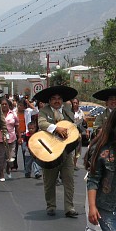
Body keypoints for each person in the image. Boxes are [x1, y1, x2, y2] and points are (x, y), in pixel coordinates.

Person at [35, 85, 79, 217]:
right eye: (53, 98)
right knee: (49, 181)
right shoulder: (44, 111)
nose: (56, 101)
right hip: (50, 151)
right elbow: (41, 124)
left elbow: (73, 127)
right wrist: (55, 128)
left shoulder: (68, 111)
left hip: (66, 151)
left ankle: (69, 208)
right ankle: (51, 206)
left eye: (59, 98)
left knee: (69, 181)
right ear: (49, 100)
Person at [0, 98, 19, 181]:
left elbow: (17, 125)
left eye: (6, 104)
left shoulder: (13, 114)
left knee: (11, 157)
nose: (4, 106)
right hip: (0, 139)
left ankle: (8, 168)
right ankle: (1, 174)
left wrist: (19, 137)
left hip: (11, 138)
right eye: (3, 104)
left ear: (9, 105)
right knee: (0, 157)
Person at [71, 98, 87, 170]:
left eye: (76, 103)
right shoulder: (69, 111)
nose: (75, 104)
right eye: (73, 103)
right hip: (70, 133)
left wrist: (86, 131)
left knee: (78, 150)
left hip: (78, 133)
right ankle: (70, 165)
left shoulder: (81, 112)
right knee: (71, 150)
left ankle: (74, 164)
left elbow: (85, 123)